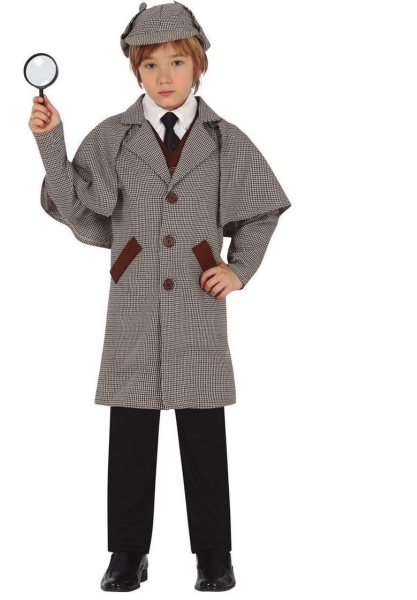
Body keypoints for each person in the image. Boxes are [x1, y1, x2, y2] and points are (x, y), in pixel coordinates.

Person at [28, 1, 291, 592]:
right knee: (130, 435)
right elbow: (77, 209)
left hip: (198, 304)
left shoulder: (224, 140)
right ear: (135, 70)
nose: (164, 76)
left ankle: (214, 556)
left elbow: (262, 208)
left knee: (204, 436)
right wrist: (51, 141)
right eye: (150, 65)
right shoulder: (113, 137)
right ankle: (127, 554)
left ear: (198, 66)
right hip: (135, 302)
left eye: (177, 62)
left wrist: (239, 269)